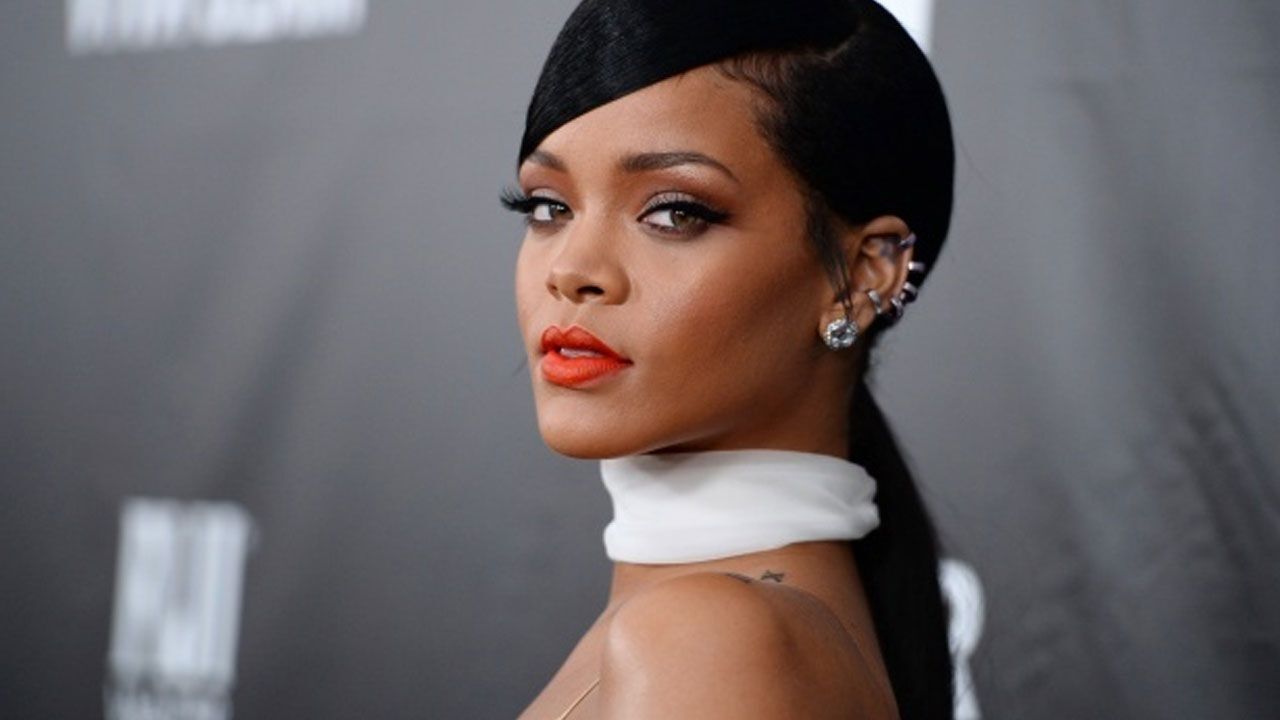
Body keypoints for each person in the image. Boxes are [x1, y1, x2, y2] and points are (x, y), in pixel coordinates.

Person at [500, 1, 956, 717]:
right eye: (548, 207)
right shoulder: (719, 626)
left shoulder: (703, 639)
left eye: (675, 212)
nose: (572, 270)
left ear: (863, 275)